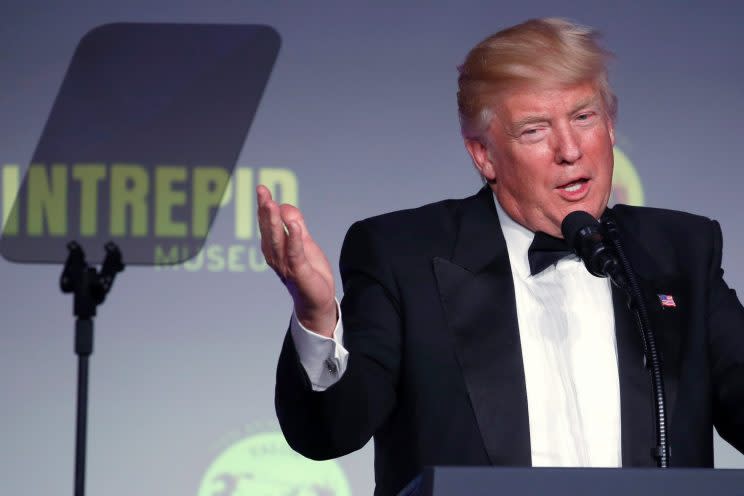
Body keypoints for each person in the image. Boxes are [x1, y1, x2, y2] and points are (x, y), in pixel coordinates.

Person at [257, 17, 744, 496]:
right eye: (535, 130)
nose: (570, 149)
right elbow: (329, 433)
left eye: (583, 116)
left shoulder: (681, 249)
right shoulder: (404, 255)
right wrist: (316, 314)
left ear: (610, 125)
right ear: (483, 155)